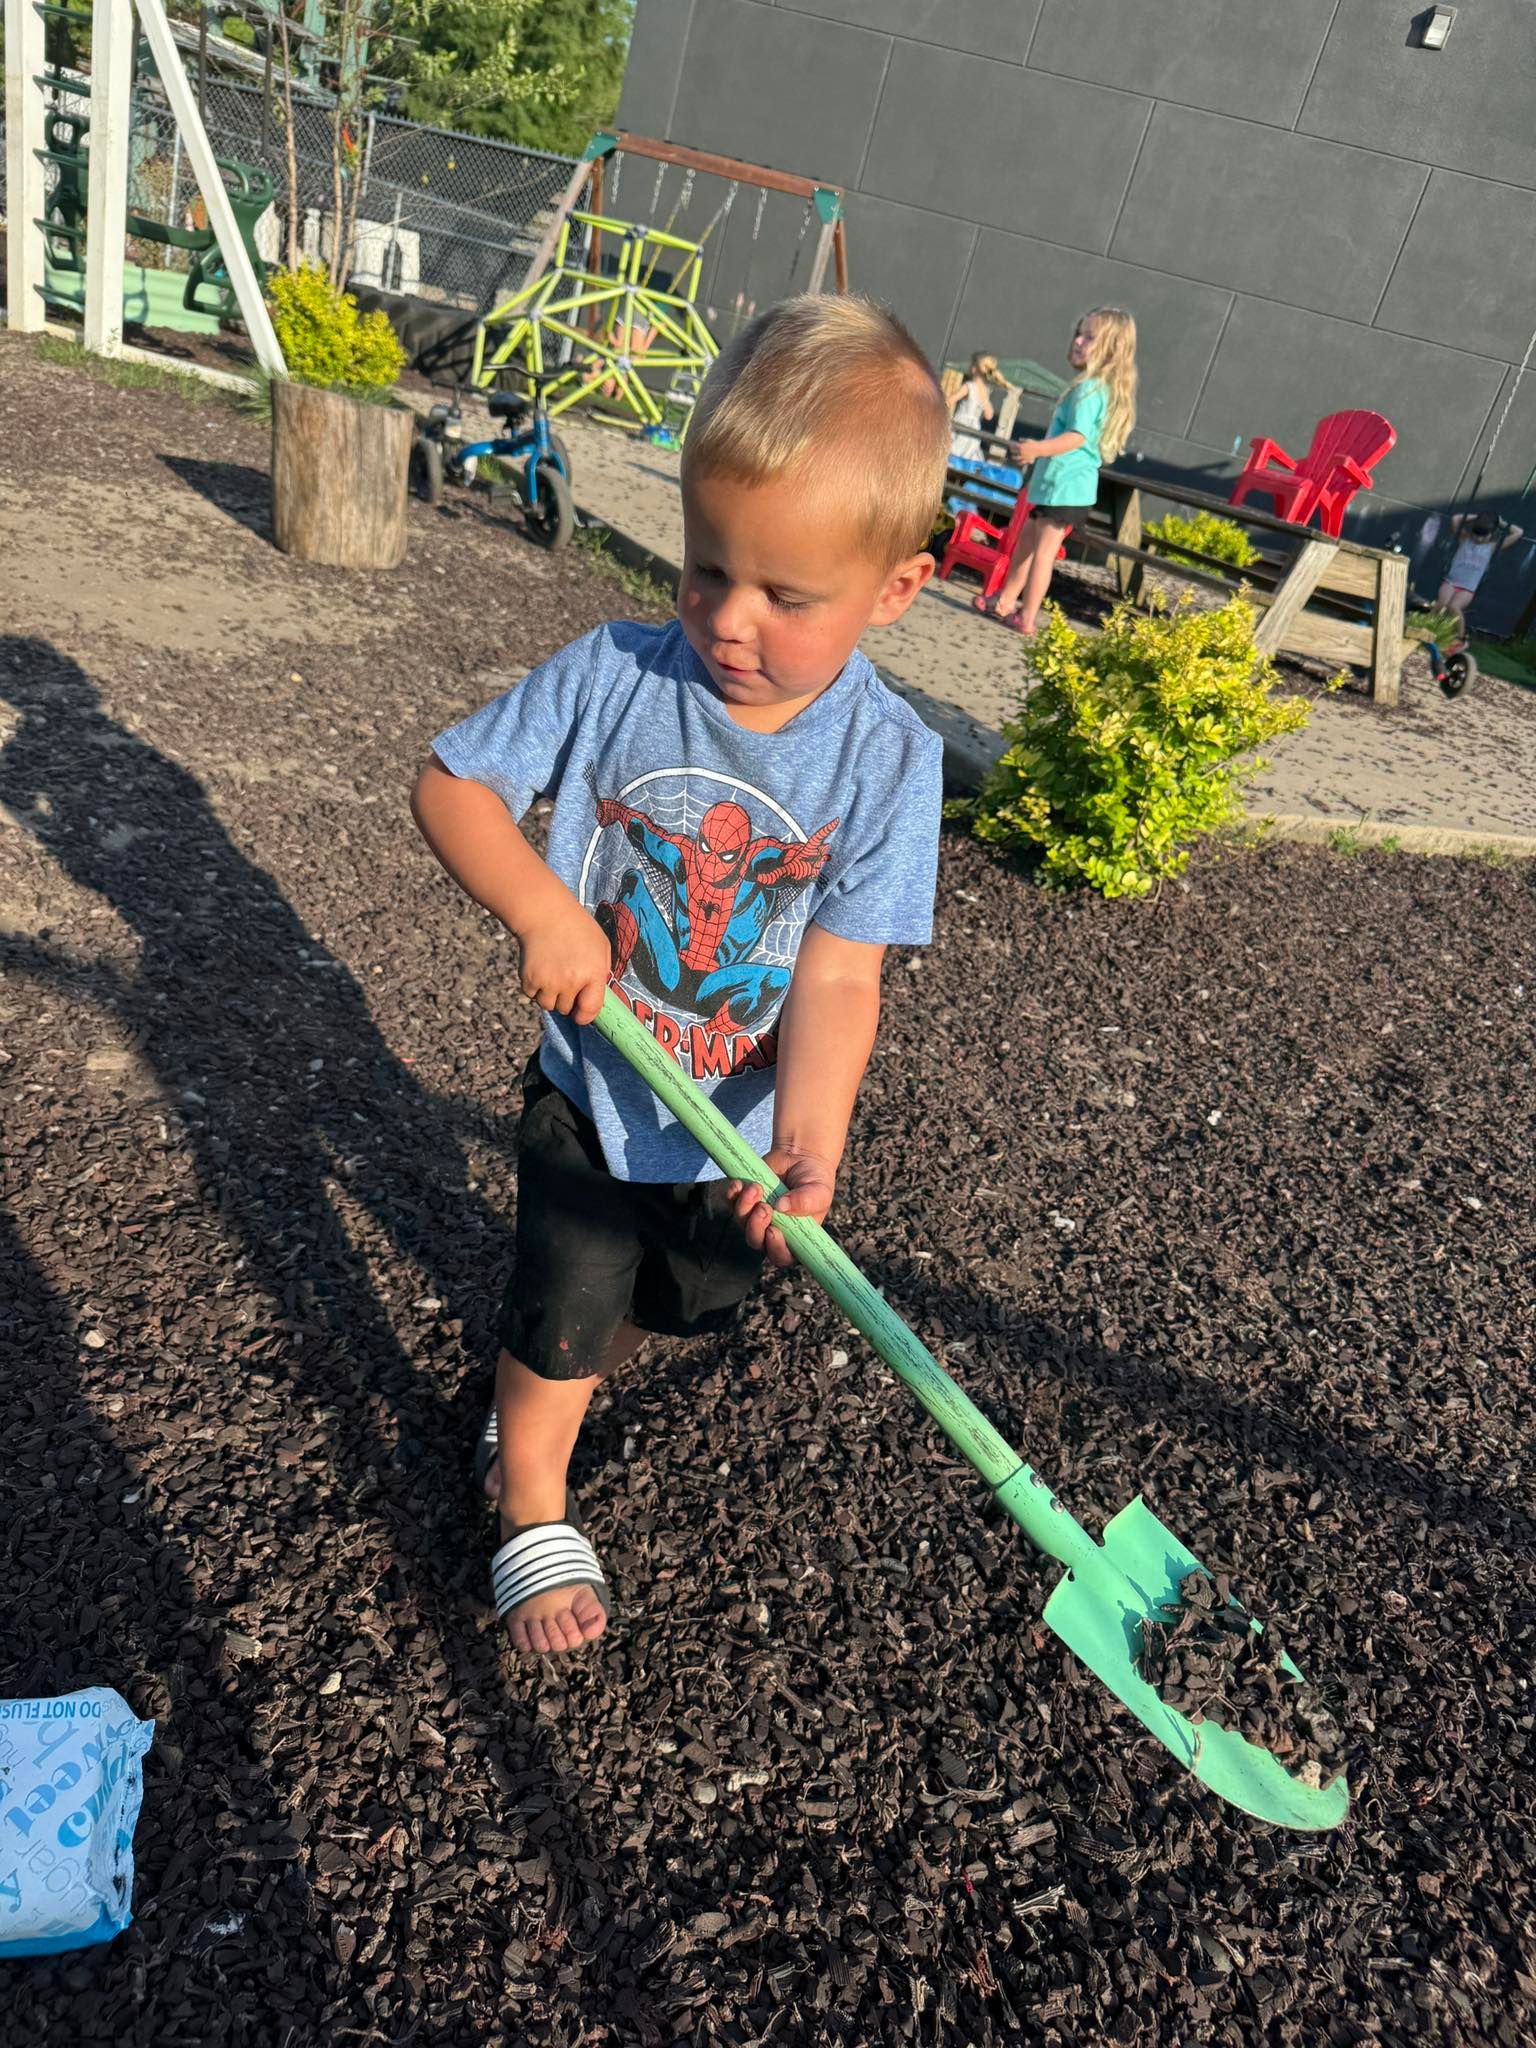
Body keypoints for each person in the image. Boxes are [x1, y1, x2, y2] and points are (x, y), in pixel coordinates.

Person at [411, 294, 949, 1657]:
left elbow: (837, 980)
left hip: (737, 1133)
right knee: (567, 1301)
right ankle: (529, 1489)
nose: (726, 618)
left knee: (684, 1299)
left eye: (785, 594)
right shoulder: (615, 674)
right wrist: (544, 906)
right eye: (707, 567)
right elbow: (454, 785)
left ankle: (571, 1368)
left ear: (896, 590)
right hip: (598, 1094)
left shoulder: (887, 763)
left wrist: (809, 1152)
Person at [976, 308, 1138, 636]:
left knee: (1043, 554)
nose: (1078, 341)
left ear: (1110, 348)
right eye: (1079, 333)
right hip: (1056, 486)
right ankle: (1005, 600)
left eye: (1089, 337)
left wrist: (1036, 449)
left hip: (1066, 486)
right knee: (1025, 544)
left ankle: (1027, 616)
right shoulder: (1094, 389)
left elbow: (1077, 438)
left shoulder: (1089, 390)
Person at [1437, 510, 1525, 624]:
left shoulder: (1492, 547)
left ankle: (1461, 638)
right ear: (1472, 532)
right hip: (1451, 582)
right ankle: (1424, 626)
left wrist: (1501, 523)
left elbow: (1518, 532)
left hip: (1467, 588)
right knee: (1442, 603)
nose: (1479, 539)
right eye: (1476, 535)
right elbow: (1455, 518)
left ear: (1491, 534)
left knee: (1454, 607)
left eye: (1484, 536)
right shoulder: (1464, 539)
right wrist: (1477, 517)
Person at [944, 352, 1000, 464]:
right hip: (974, 429)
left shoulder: (969, 386)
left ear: (973, 369)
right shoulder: (986, 391)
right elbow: (989, 416)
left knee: (952, 450)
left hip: (961, 424)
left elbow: (949, 401)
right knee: (968, 453)